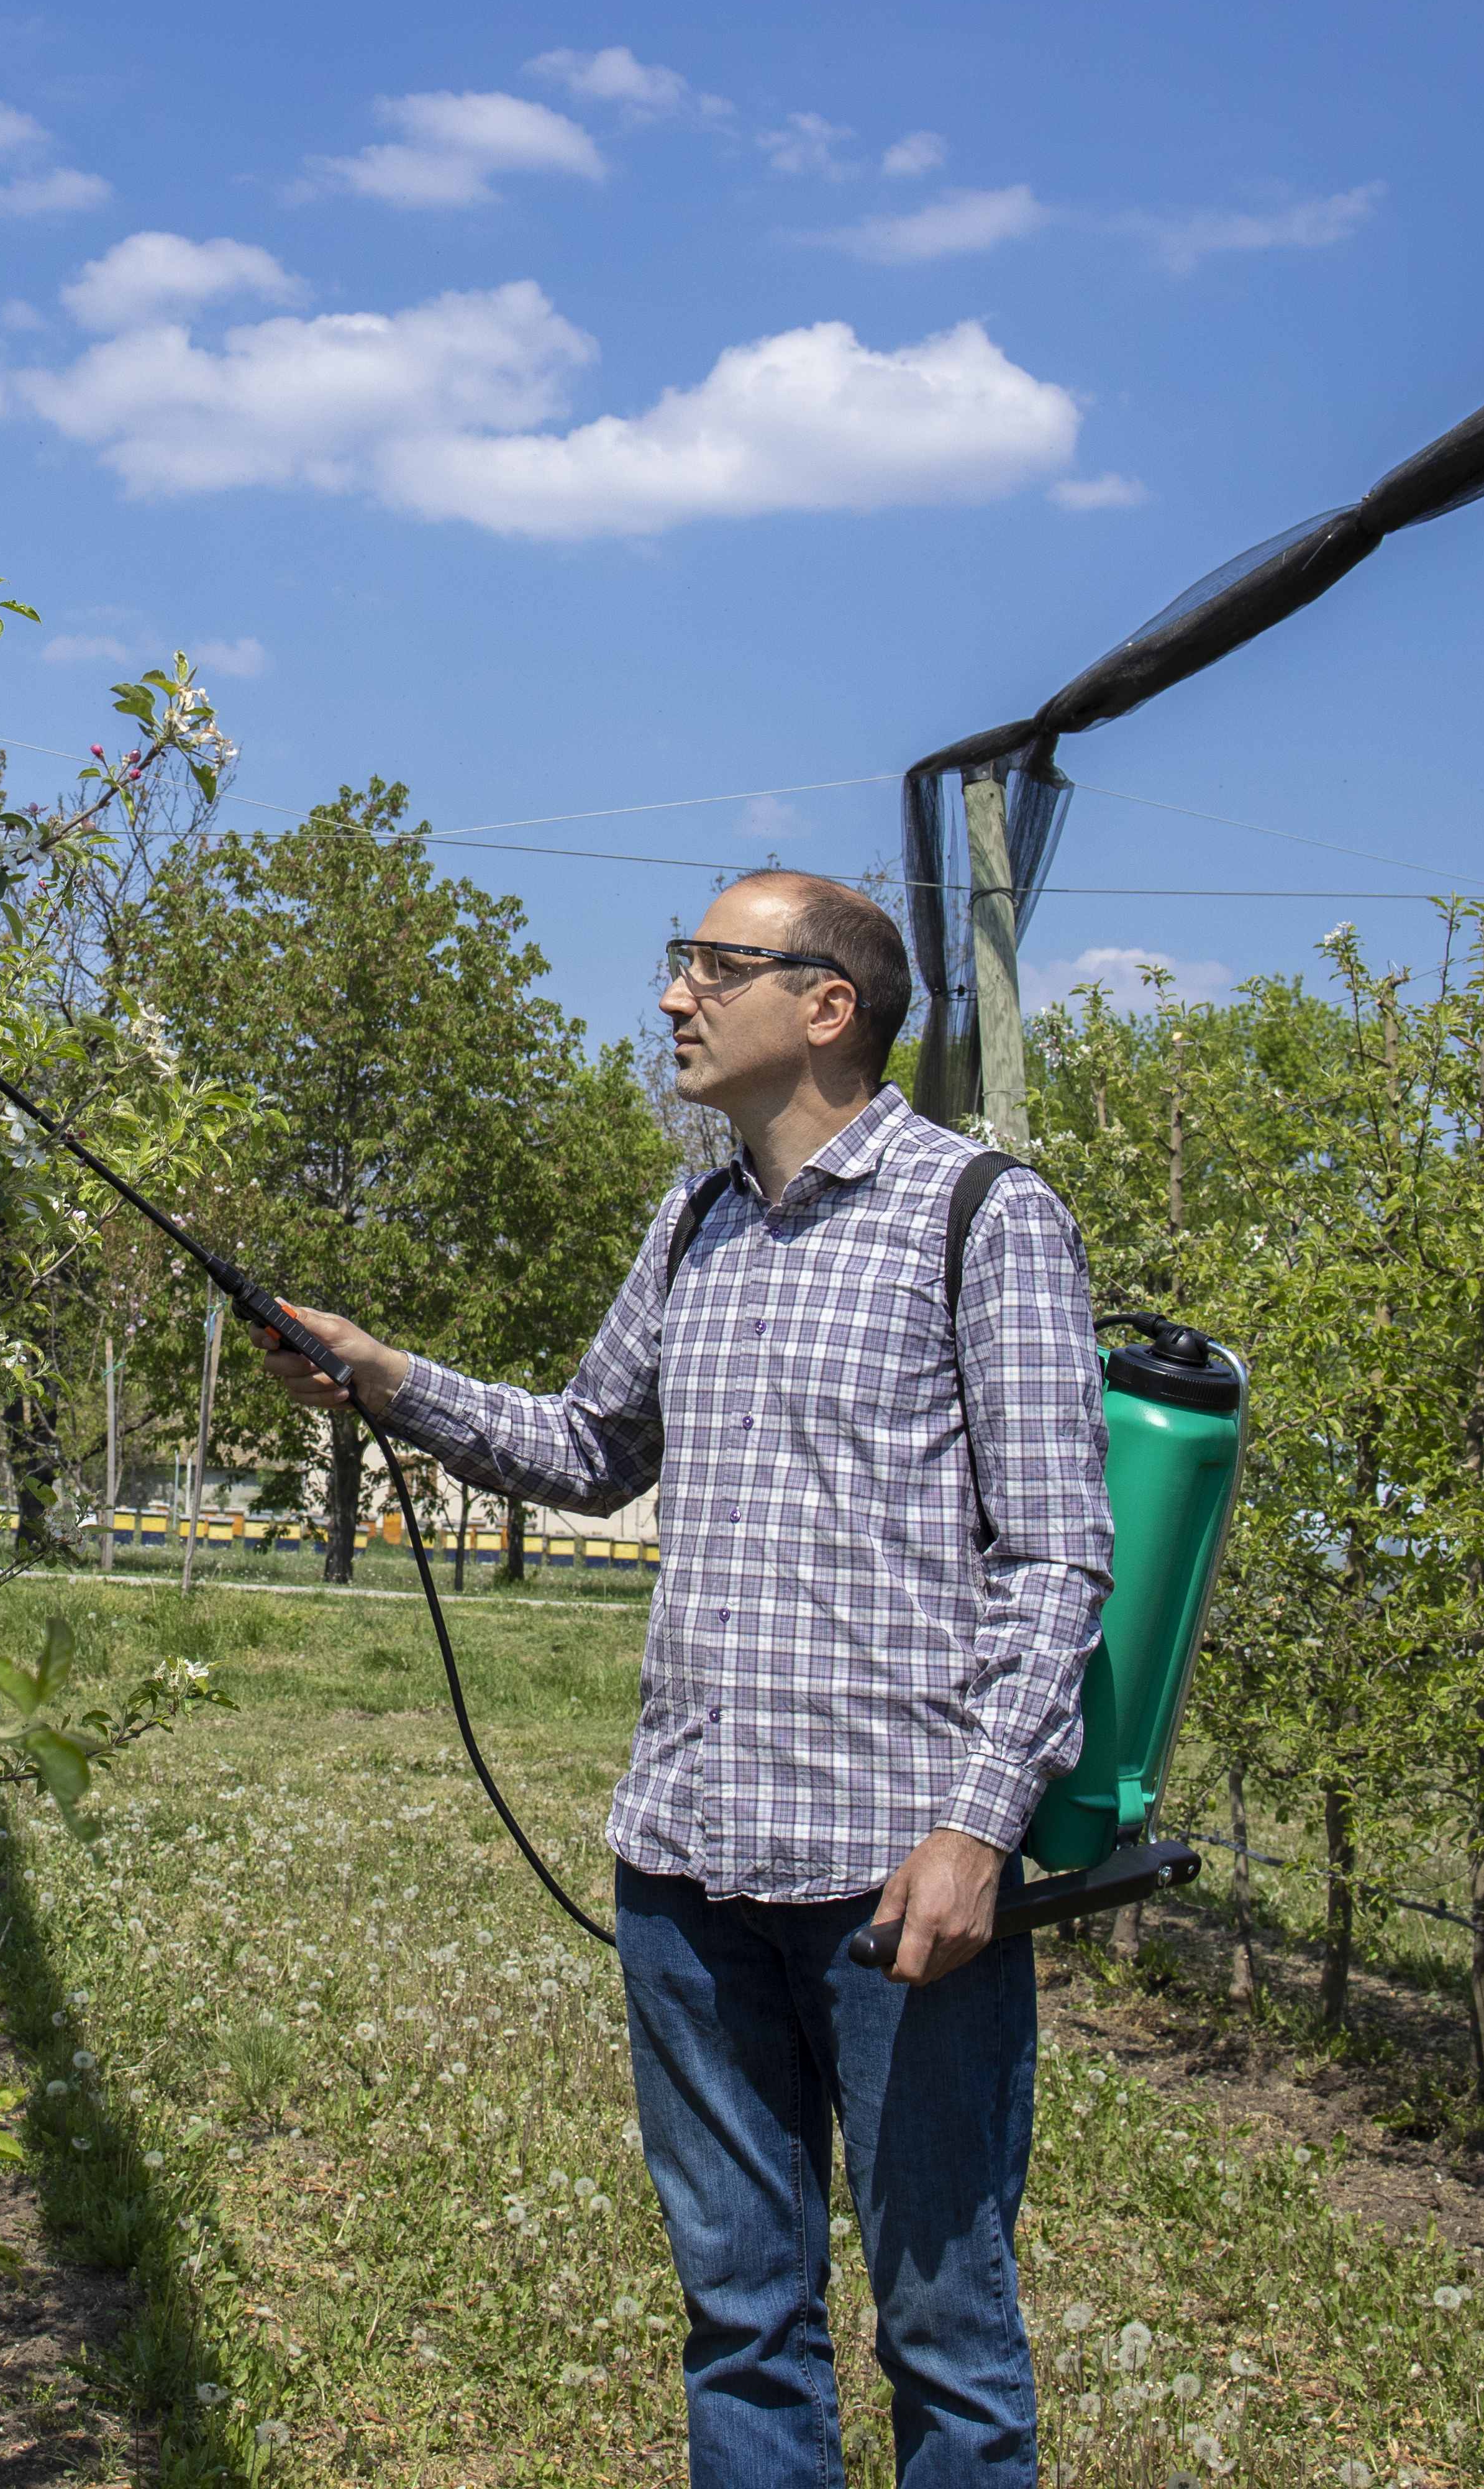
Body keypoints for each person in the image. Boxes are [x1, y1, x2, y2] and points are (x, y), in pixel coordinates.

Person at [250, 870, 1108, 2489]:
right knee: (741, 2324)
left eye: (714, 967)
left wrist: (978, 1830)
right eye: (680, 965)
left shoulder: (984, 1217)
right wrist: (384, 1375)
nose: (673, 998)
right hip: (686, 1873)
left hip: (898, 1885)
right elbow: (589, 1451)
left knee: (948, 2340)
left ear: (829, 1007)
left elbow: (1057, 1559)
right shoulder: (693, 1223)